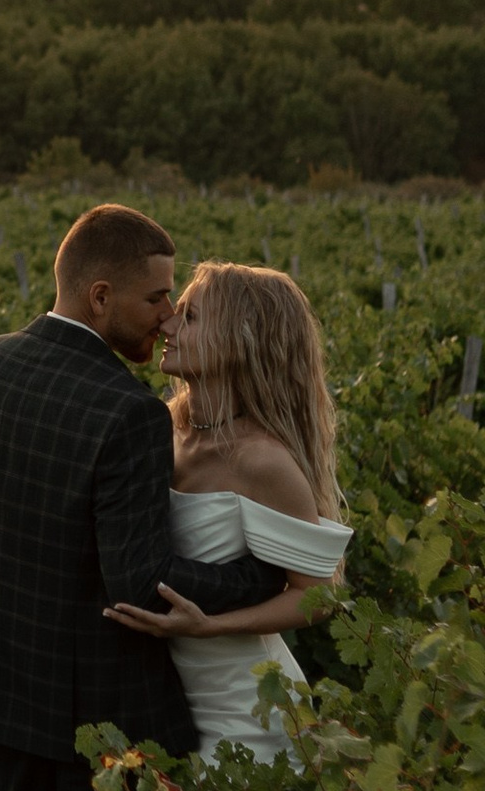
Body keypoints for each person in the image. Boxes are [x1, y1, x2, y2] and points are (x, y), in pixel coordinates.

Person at [0, 205, 288, 791]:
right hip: (84, 718)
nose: (167, 314)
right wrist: (258, 578)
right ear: (100, 296)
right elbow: (138, 581)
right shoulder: (129, 412)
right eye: (155, 297)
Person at [98, 260, 351, 760]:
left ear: (241, 340)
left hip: (243, 707)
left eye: (190, 318)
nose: (167, 324)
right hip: (162, 698)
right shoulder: (162, 427)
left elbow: (318, 598)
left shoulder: (261, 460)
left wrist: (210, 626)